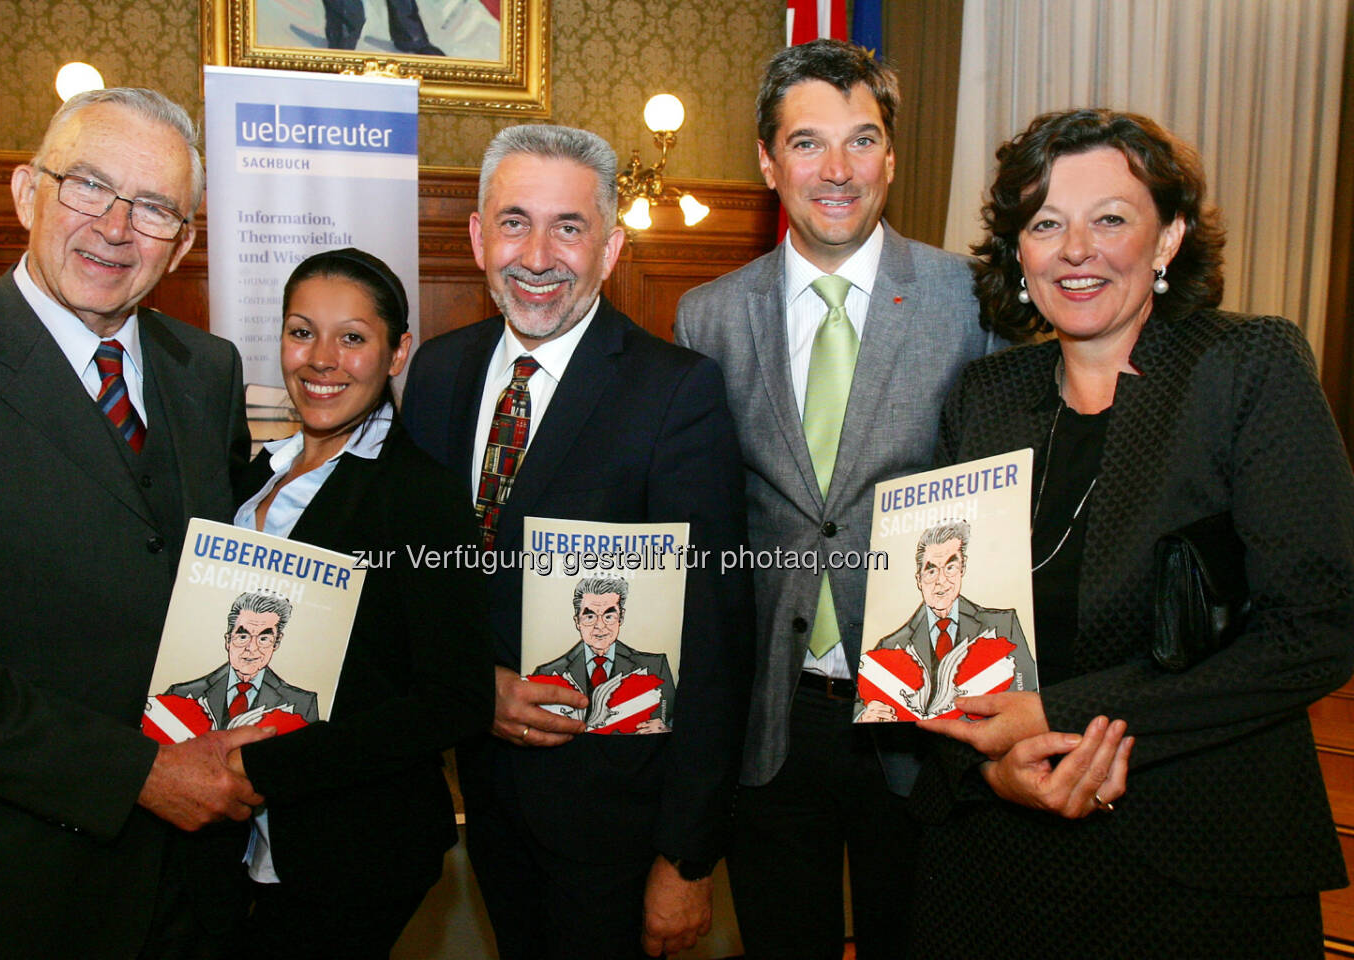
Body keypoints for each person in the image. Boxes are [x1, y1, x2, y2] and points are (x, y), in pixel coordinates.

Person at [910, 108, 1354, 959]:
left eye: (1110, 218)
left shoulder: (1247, 368)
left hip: (1199, 861)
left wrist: (1057, 716)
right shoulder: (984, 396)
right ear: (1018, 252)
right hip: (993, 863)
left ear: (1168, 238)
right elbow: (942, 637)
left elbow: (1316, 633)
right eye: (1046, 223)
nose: (1077, 249)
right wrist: (991, 767)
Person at [673, 38, 1005, 958]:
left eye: (862, 141)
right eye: (808, 143)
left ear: (892, 159)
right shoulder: (706, 316)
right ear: (767, 160)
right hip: (771, 714)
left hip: (928, 716)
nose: (837, 170)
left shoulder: (967, 301)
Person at [0, 88, 261, 959]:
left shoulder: (208, 370)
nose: (116, 227)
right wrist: (136, 775)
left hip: (191, 882)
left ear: (183, 244)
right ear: (28, 193)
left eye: (153, 208)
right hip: (4, 880)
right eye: (89, 186)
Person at [401, 124, 751, 959]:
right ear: (479, 237)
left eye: (569, 227)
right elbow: (414, 582)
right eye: (515, 222)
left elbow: (713, 635)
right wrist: (464, 690)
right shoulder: (439, 371)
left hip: (615, 817)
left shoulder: (676, 393)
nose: (538, 254)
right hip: (479, 790)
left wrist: (686, 856)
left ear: (610, 248)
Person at [186, 247, 492, 958]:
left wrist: (262, 770)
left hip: (351, 848)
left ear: (396, 352)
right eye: (302, 331)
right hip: (223, 840)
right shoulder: (251, 475)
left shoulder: (421, 493)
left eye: (352, 337)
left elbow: (456, 698)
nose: (322, 359)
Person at [856, 519, 1033, 722]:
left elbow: (1029, 691)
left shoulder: (1003, 626)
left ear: (962, 569)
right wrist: (864, 716)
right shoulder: (890, 645)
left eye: (950, 567)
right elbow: (862, 702)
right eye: (931, 571)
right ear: (918, 579)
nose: (941, 580)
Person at [531, 575, 676, 732]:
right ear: (577, 622)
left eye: (609, 616)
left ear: (621, 618)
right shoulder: (547, 674)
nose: (600, 626)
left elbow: (674, 718)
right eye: (590, 616)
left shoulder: (655, 667)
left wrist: (666, 728)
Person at [164, 592, 320, 727]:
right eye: (243, 636)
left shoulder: (302, 704)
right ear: (228, 640)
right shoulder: (181, 694)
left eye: (264, 638)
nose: (252, 648)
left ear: (276, 643)